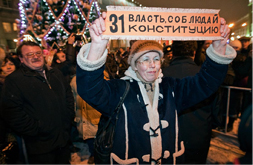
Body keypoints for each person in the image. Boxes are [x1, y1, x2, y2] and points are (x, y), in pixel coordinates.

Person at [76, 12, 236, 164]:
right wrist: (97, 47)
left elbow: (205, 83)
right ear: (135, 65)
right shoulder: (120, 90)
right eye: (145, 59)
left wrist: (219, 48)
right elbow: (89, 89)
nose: (152, 65)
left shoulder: (172, 88)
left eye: (156, 58)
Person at [0, 41, 75, 164]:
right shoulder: (14, 80)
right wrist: (37, 129)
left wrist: (67, 118)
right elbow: (11, 112)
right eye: (29, 54)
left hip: (63, 140)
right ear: (21, 59)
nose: (35, 57)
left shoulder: (55, 73)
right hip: (39, 146)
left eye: (38, 53)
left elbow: (68, 96)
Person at [162, 41, 221, 164]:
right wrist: (213, 124)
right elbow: (215, 106)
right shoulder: (205, 76)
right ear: (194, 53)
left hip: (168, 135)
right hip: (199, 134)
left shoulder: (160, 75)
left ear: (173, 53)